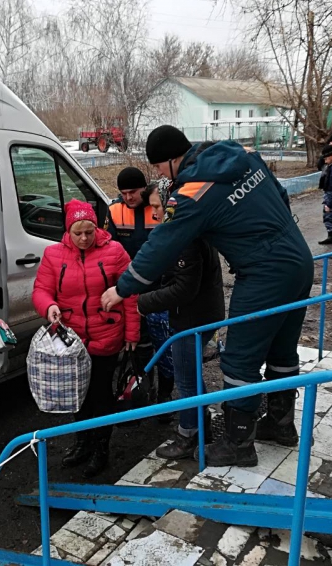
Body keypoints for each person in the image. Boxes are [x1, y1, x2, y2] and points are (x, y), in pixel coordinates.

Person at [101, 125, 314, 468]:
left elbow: (162, 244)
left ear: (172, 159)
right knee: (282, 350)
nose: (158, 174)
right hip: (298, 259)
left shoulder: (194, 192)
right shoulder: (240, 154)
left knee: (239, 361)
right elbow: (281, 194)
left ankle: (238, 443)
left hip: (263, 273)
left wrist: (123, 288)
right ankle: (280, 424)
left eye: (157, 167)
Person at [32, 199, 140, 478]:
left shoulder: (115, 251)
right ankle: (83, 442)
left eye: (89, 232)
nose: (83, 238)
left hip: (106, 336)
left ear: (96, 228)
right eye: (77, 233)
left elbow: (130, 293)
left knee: (101, 395)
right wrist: (49, 306)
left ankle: (101, 447)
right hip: (72, 341)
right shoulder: (53, 255)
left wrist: (132, 333)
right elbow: (41, 290)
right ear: (68, 231)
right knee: (77, 396)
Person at [137, 183, 225, 459]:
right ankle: (203, 424)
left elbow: (184, 288)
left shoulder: (185, 237)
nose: (154, 214)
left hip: (191, 318)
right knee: (192, 376)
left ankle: (188, 435)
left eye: (157, 207)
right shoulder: (192, 228)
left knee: (185, 380)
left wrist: (142, 303)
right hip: (201, 312)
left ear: (171, 205)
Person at [105, 166, 174, 412]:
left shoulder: (159, 208)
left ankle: (166, 395)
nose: (128, 198)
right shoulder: (114, 211)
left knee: (166, 348)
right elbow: (108, 248)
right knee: (140, 345)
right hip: (130, 291)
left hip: (161, 290)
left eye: (132, 192)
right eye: (123, 193)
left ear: (143, 189)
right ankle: (142, 390)